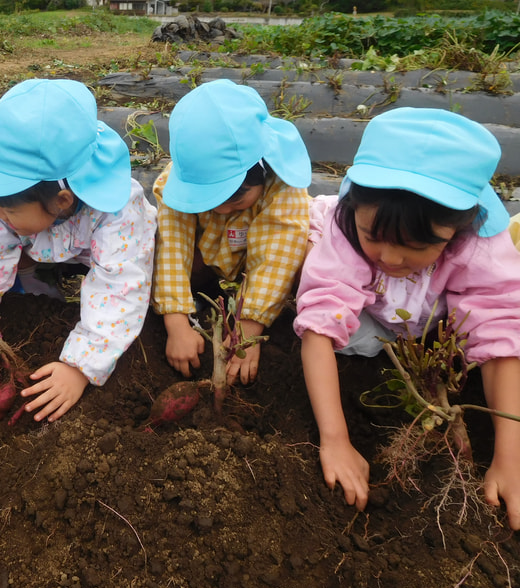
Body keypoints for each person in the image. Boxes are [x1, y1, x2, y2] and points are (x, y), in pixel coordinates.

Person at [294, 107, 520, 530]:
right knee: (345, 334)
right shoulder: (346, 225)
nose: (392, 258)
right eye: (373, 238)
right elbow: (322, 321)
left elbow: (500, 329)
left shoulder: (478, 246)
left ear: (458, 229)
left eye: (418, 247)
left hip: (436, 321)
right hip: (379, 314)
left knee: (492, 341)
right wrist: (336, 440)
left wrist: (510, 460)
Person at [0, 78, 157, 422]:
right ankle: (39, 269)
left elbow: (119, 288)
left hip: (113, 250)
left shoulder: (120, 214)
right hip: (49, 240)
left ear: (62, 201)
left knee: (135, 283)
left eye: (8, 210)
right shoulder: (10, 205)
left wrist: (79, 367)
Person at [151, 79, 312, 386]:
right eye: (209, 203)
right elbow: (172, 247)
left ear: (262, 172)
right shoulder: (182, 180)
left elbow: (276, 258)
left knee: (306, 255)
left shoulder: (281, 186)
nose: (222, 210)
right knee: (153, 245)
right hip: (210, 262)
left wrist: (247, 331)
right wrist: (176, 323)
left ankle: (253, 309)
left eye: (236, 200)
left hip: (255, 268)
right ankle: (200, 304)